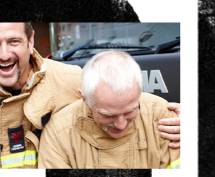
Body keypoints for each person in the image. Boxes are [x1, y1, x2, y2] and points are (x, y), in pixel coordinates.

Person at [0, 23, 182, 169]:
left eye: (15, 41)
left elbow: (124, 100)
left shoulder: (73, 79)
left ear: (30, 41)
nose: (5, 53)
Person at [38, 51, 181, 169]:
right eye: (108, 115)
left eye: (130, 111)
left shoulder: (164, 118)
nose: (121, 125)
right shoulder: (58, 133)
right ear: (85, 99)